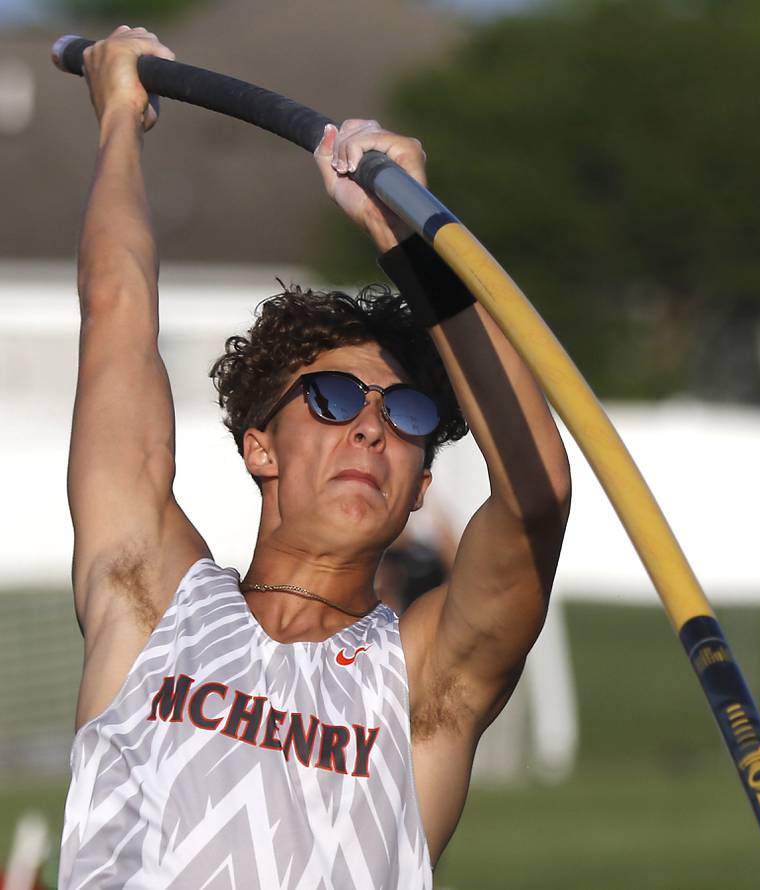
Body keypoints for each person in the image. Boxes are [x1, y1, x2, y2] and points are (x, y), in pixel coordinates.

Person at [58, 25, 571, 890]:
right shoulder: (146, 595)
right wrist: (117, 117)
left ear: (418, 492)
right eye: (333, 400)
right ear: (260, 445)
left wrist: (406, 234)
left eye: (404, 413)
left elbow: (536, 491)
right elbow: (116, 307)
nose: (371, 429)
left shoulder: (422, 687)